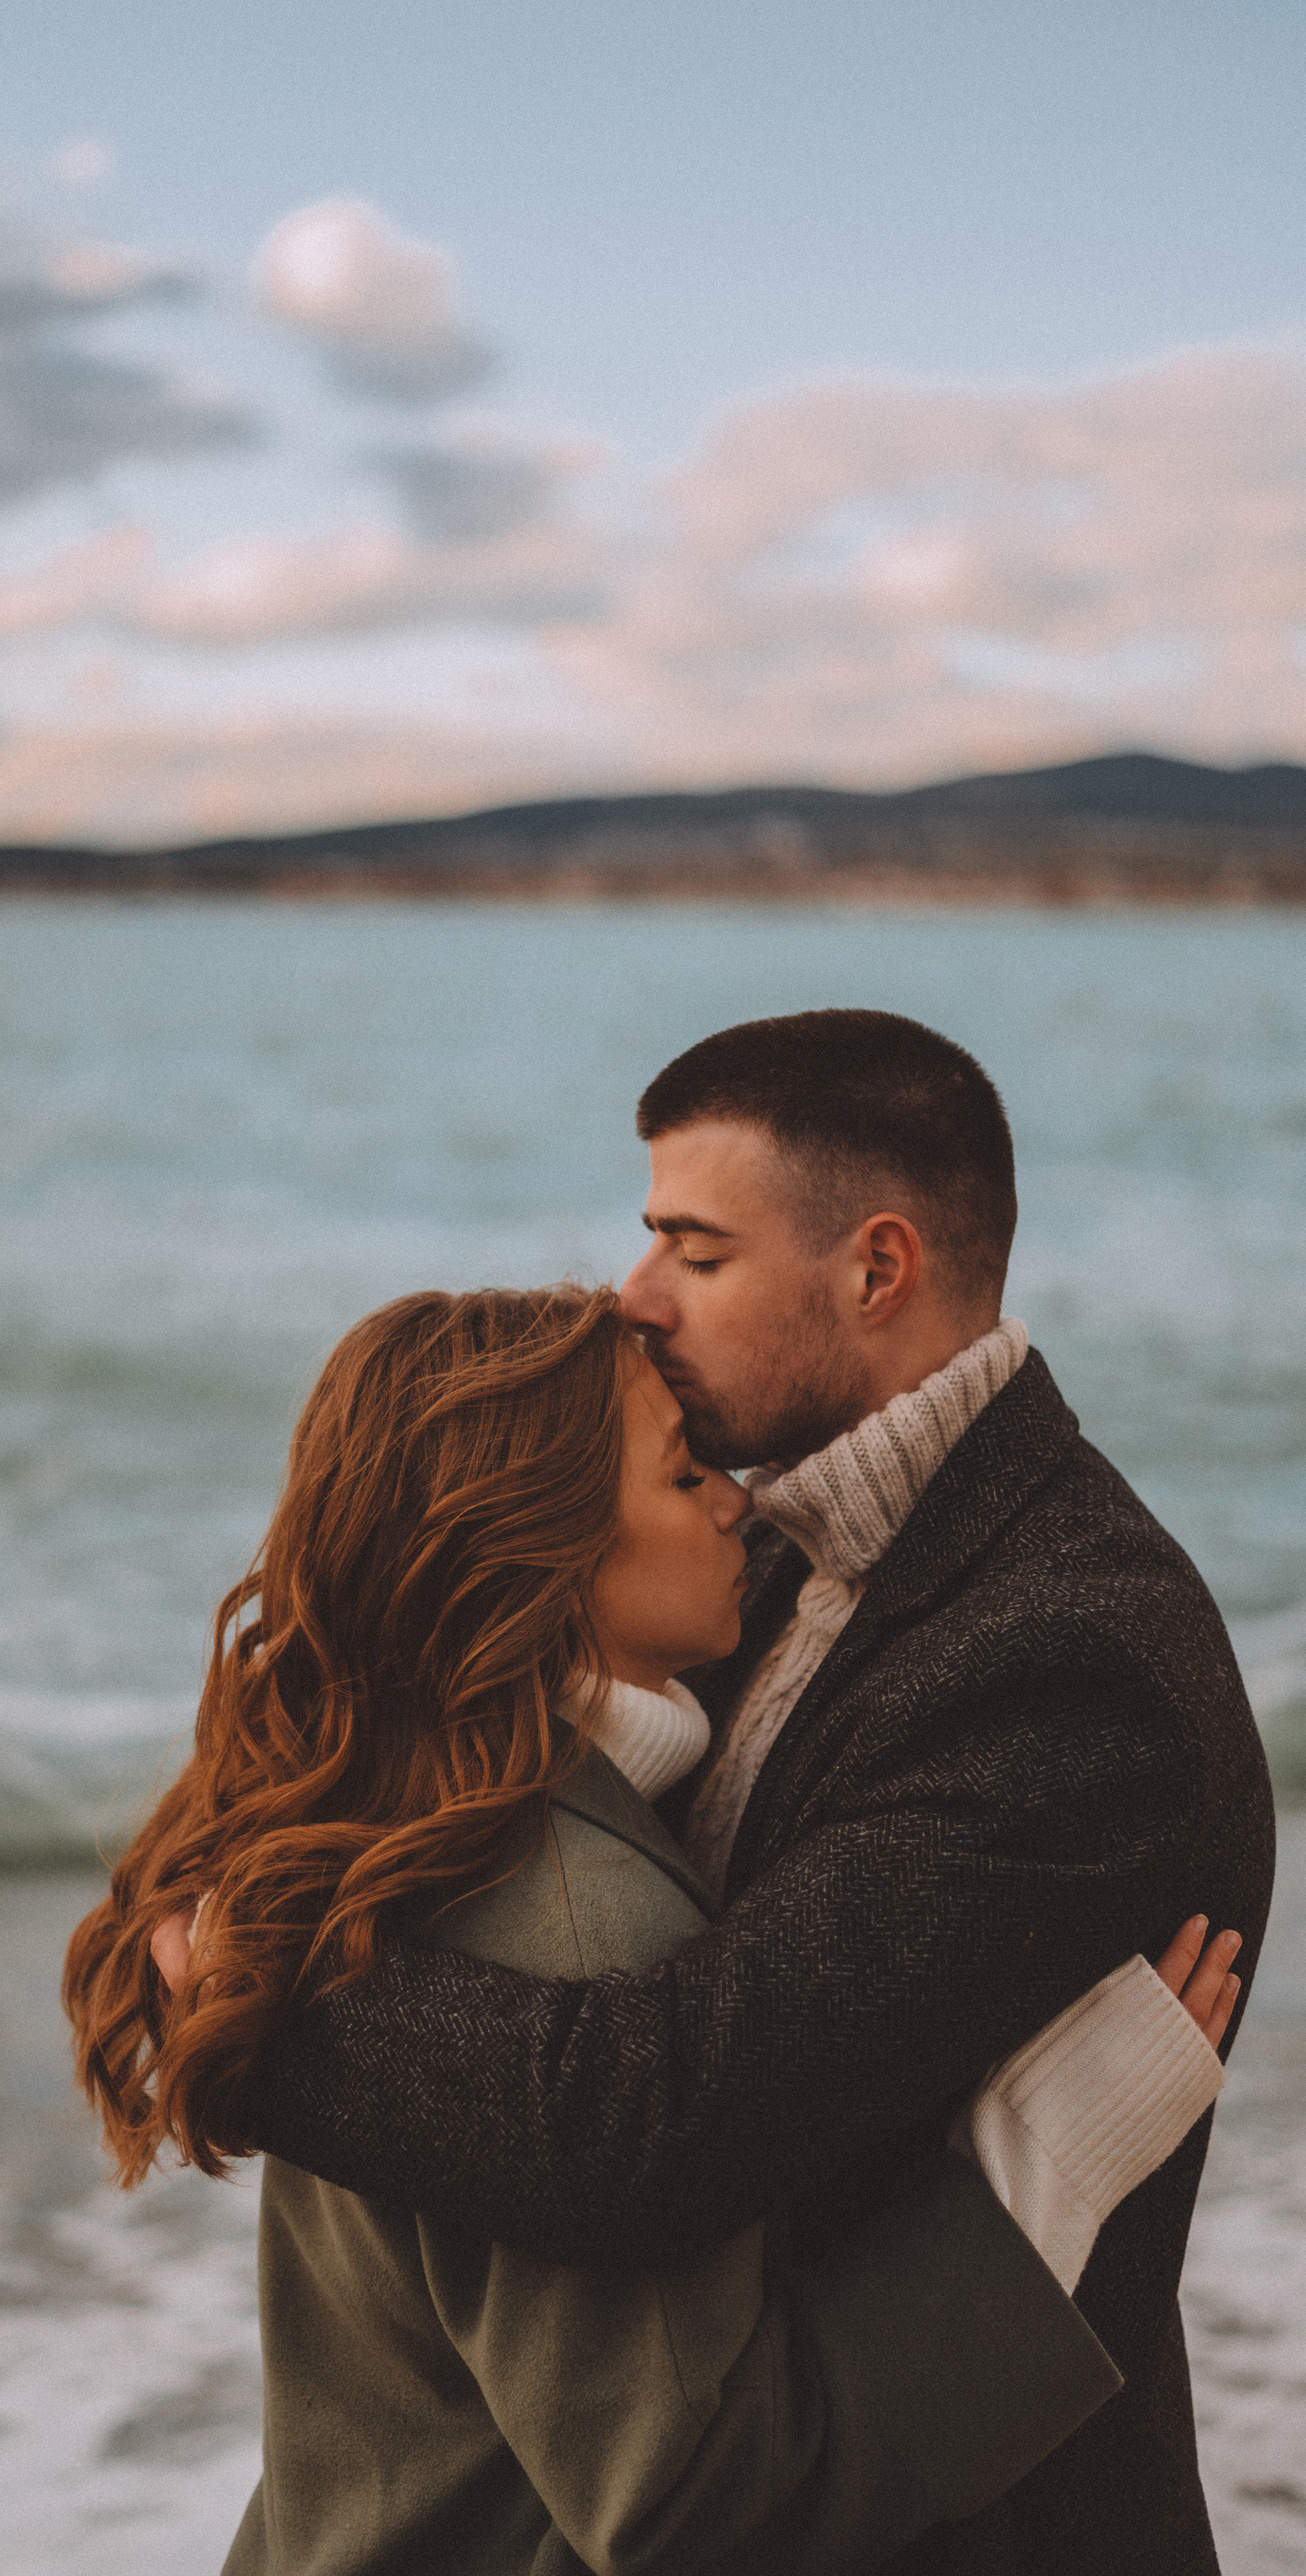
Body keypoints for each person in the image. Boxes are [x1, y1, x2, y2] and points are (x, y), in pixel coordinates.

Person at [236, 1012, 1277, 2576]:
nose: (632, 1300)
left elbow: (655, 2117)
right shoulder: (753, 1546)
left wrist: (245, 2005)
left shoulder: (1068, 1657)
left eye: (692, 1252)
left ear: (874, 1267)